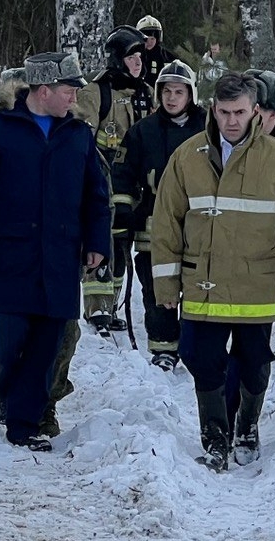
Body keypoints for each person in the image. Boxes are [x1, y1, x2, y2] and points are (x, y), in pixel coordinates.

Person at [150, 71, 275, 472]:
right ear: (212, 110)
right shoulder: (186, 157)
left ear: (255, 112)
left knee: (252, 362)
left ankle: (246, 427)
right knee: (200, 357)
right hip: (202, 284)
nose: (232, 120)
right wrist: (166, 283)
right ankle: (215, 438)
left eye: (240, 112)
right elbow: (165, 224)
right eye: (224, 111)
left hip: (255, 286)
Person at [0, 52, 111, 452]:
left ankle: (27, 421)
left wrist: (97, 243)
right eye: (69, 90)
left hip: (59, 259)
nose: (76, 98)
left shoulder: (77, 135)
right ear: (45, 90)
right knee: (8, 339)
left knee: (50, 342)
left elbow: (96, 194)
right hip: (8, 258)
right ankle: (9, 394)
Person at [110, 60, 207, 372]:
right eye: (166, 91)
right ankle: (164, 348)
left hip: (200, 229)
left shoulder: (210, 129)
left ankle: (195, 349)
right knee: (156, 290)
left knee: (197, 289)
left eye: (179, 91)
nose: (171, 97)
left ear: (191, 94)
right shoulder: (142, 132)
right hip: (152, 229)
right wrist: (123, 211)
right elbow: (121, 173)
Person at [73, 25, 154, 335]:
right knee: (108, 242)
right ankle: (98, 309)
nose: (138, 63)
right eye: (132, 57)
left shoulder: (146, 92)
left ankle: (113, 302)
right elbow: (82, 139)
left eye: (140, 58)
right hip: (105, 181)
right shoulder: (96, 92)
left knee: (127, 245)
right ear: (118, 59)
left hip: (138, 182)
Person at [135, 15, 181, 87]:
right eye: (146, 39)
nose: (149, 42)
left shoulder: (166, 57)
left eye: (152, 39)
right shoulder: (133, 56)